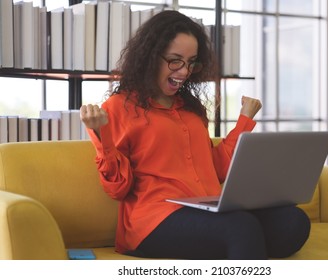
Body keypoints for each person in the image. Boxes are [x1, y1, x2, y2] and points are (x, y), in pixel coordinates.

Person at [80, 10, 310, 260]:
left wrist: (244, 121)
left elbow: (216, 170)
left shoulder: (190, 109)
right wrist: (100, 136)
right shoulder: (117, 108)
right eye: (175, 60)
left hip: (206, 208)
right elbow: (118, 190)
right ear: (150, 57)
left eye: (191, 62)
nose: (184, 71)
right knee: (240, 228)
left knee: (292, 221)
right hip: (154, 218)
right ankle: (238, 248)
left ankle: (236, 251)